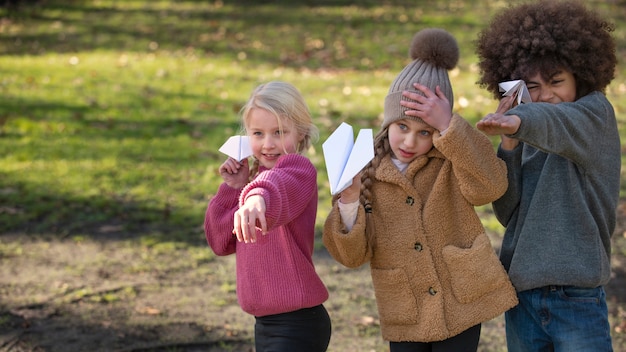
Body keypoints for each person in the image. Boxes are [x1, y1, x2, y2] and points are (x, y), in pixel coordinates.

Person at [323, 28, 518, 352]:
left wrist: (451, 127)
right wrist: (349, 200)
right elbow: (351, 256)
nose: (411, 142)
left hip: (462, 301)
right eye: (402, 127)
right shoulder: (363, 168)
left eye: (425, 131)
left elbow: (491, 187)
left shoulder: (454, 156)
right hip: (405, 307)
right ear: (388, 123)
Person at [474, 1, 620, 351]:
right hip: (522, 297)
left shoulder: (594, 116)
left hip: (578, 299)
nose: (547, 96)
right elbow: (507, 212)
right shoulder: (524, 132)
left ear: (581, 75)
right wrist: (509, 143)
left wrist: (519, 122)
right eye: (533, 87)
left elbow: (555, 122)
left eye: (556, 81)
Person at [204, 80, 331, 352]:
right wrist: (233, 188)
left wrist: (256, 196)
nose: (269, 144)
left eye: (279, 132)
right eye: (258, 133)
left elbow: (279, 187)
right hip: (265, 324)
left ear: (300, 133)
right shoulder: (252, 182)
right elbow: (219, 241)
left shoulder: (299, 170)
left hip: (298, 322)